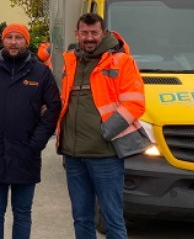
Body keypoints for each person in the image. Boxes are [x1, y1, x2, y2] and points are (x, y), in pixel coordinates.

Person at [0, 23, 61, 239]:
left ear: (27, 42)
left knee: (22, 213)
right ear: (3, 40)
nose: (14, 42)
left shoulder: (40, 72)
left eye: (19, 37)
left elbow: (54, 106)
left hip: (26, 153)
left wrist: (37, 142)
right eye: (9, 37)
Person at [57, 13, 148, 239]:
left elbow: (136, 102)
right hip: (73, 155)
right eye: (85, 33)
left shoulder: (121, 61)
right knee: (81, 218)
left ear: (103, 33)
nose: (89, 38)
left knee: (112, 219)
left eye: (94, 33)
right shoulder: (71, 61)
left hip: (105, 155)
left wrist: (108, 130)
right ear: (77, 34)